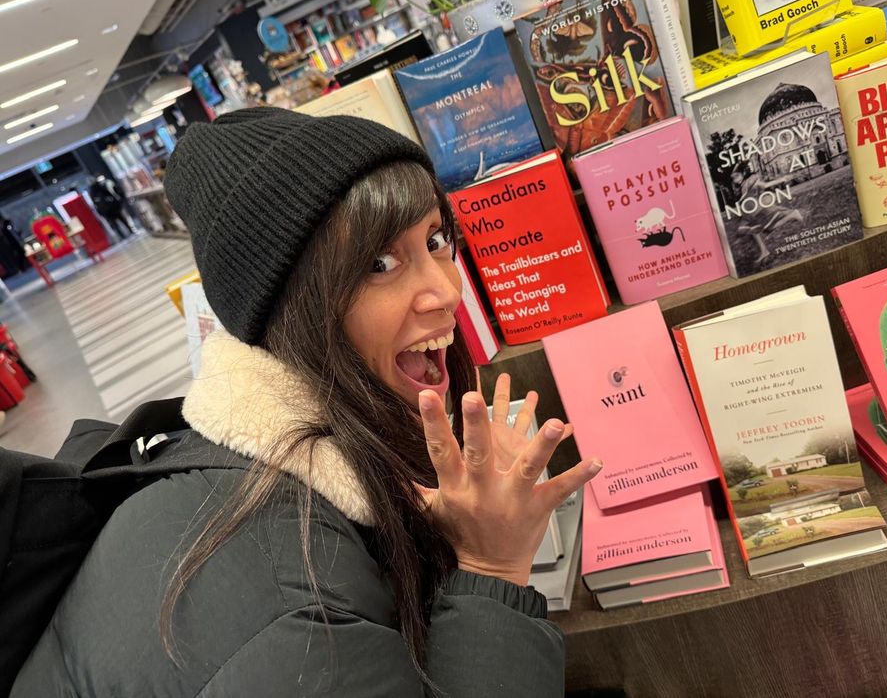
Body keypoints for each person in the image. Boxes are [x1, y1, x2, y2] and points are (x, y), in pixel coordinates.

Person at [12, 108, 601, 696]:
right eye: (380, 263)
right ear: (290, 308)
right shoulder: (283, 605)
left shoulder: (295, 459)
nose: (447, 290)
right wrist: (492, 567)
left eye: (436, 239)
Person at [89, 174, 134, 241]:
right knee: (122, 219)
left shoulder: (92, 191)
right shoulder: (101, 186)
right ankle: (130, 231)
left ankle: (122, 236)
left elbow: (95, 202)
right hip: (112, 207)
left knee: (115, 224)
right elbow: (111, 193)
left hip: (106, 210)